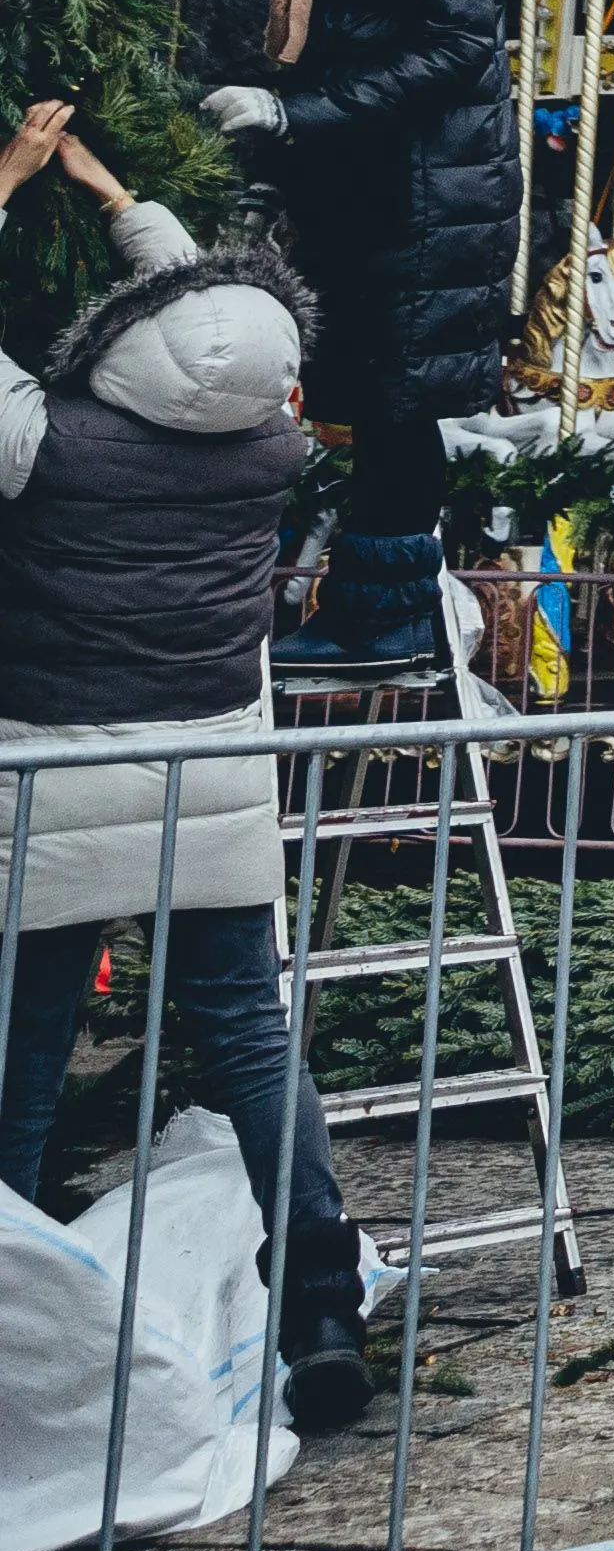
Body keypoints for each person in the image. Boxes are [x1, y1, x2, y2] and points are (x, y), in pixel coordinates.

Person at [0, 103, 371, 1430]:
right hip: (214, 781)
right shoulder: (267, 452)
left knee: (26, 1041)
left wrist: (12, 179)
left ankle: (19, 1306)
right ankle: (321, 1295)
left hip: (51, 780)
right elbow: (205, 330)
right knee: (253, 1042)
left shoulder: (47, 445)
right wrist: (113, 195)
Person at [208, 0, 521, 681]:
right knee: (377, 406)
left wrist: (295, 112)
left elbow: (452, 50)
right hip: (382, 191)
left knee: (395, 410)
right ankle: (371, 610)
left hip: (423, 201)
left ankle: (383, 616)